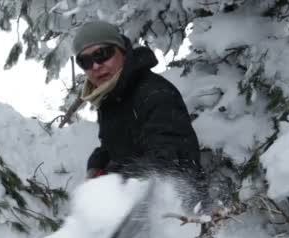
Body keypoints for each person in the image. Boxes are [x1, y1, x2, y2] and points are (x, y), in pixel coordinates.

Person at [72, 20, 204, 182]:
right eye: (85, 62)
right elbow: (115, 147)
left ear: (123, 52)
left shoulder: (155, 92)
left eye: (102, 54)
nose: (96, 66)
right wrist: (97, 165)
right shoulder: (110, 100)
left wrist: (115, 181)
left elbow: (172, 158)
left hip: (174, 202)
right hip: (132, 198)